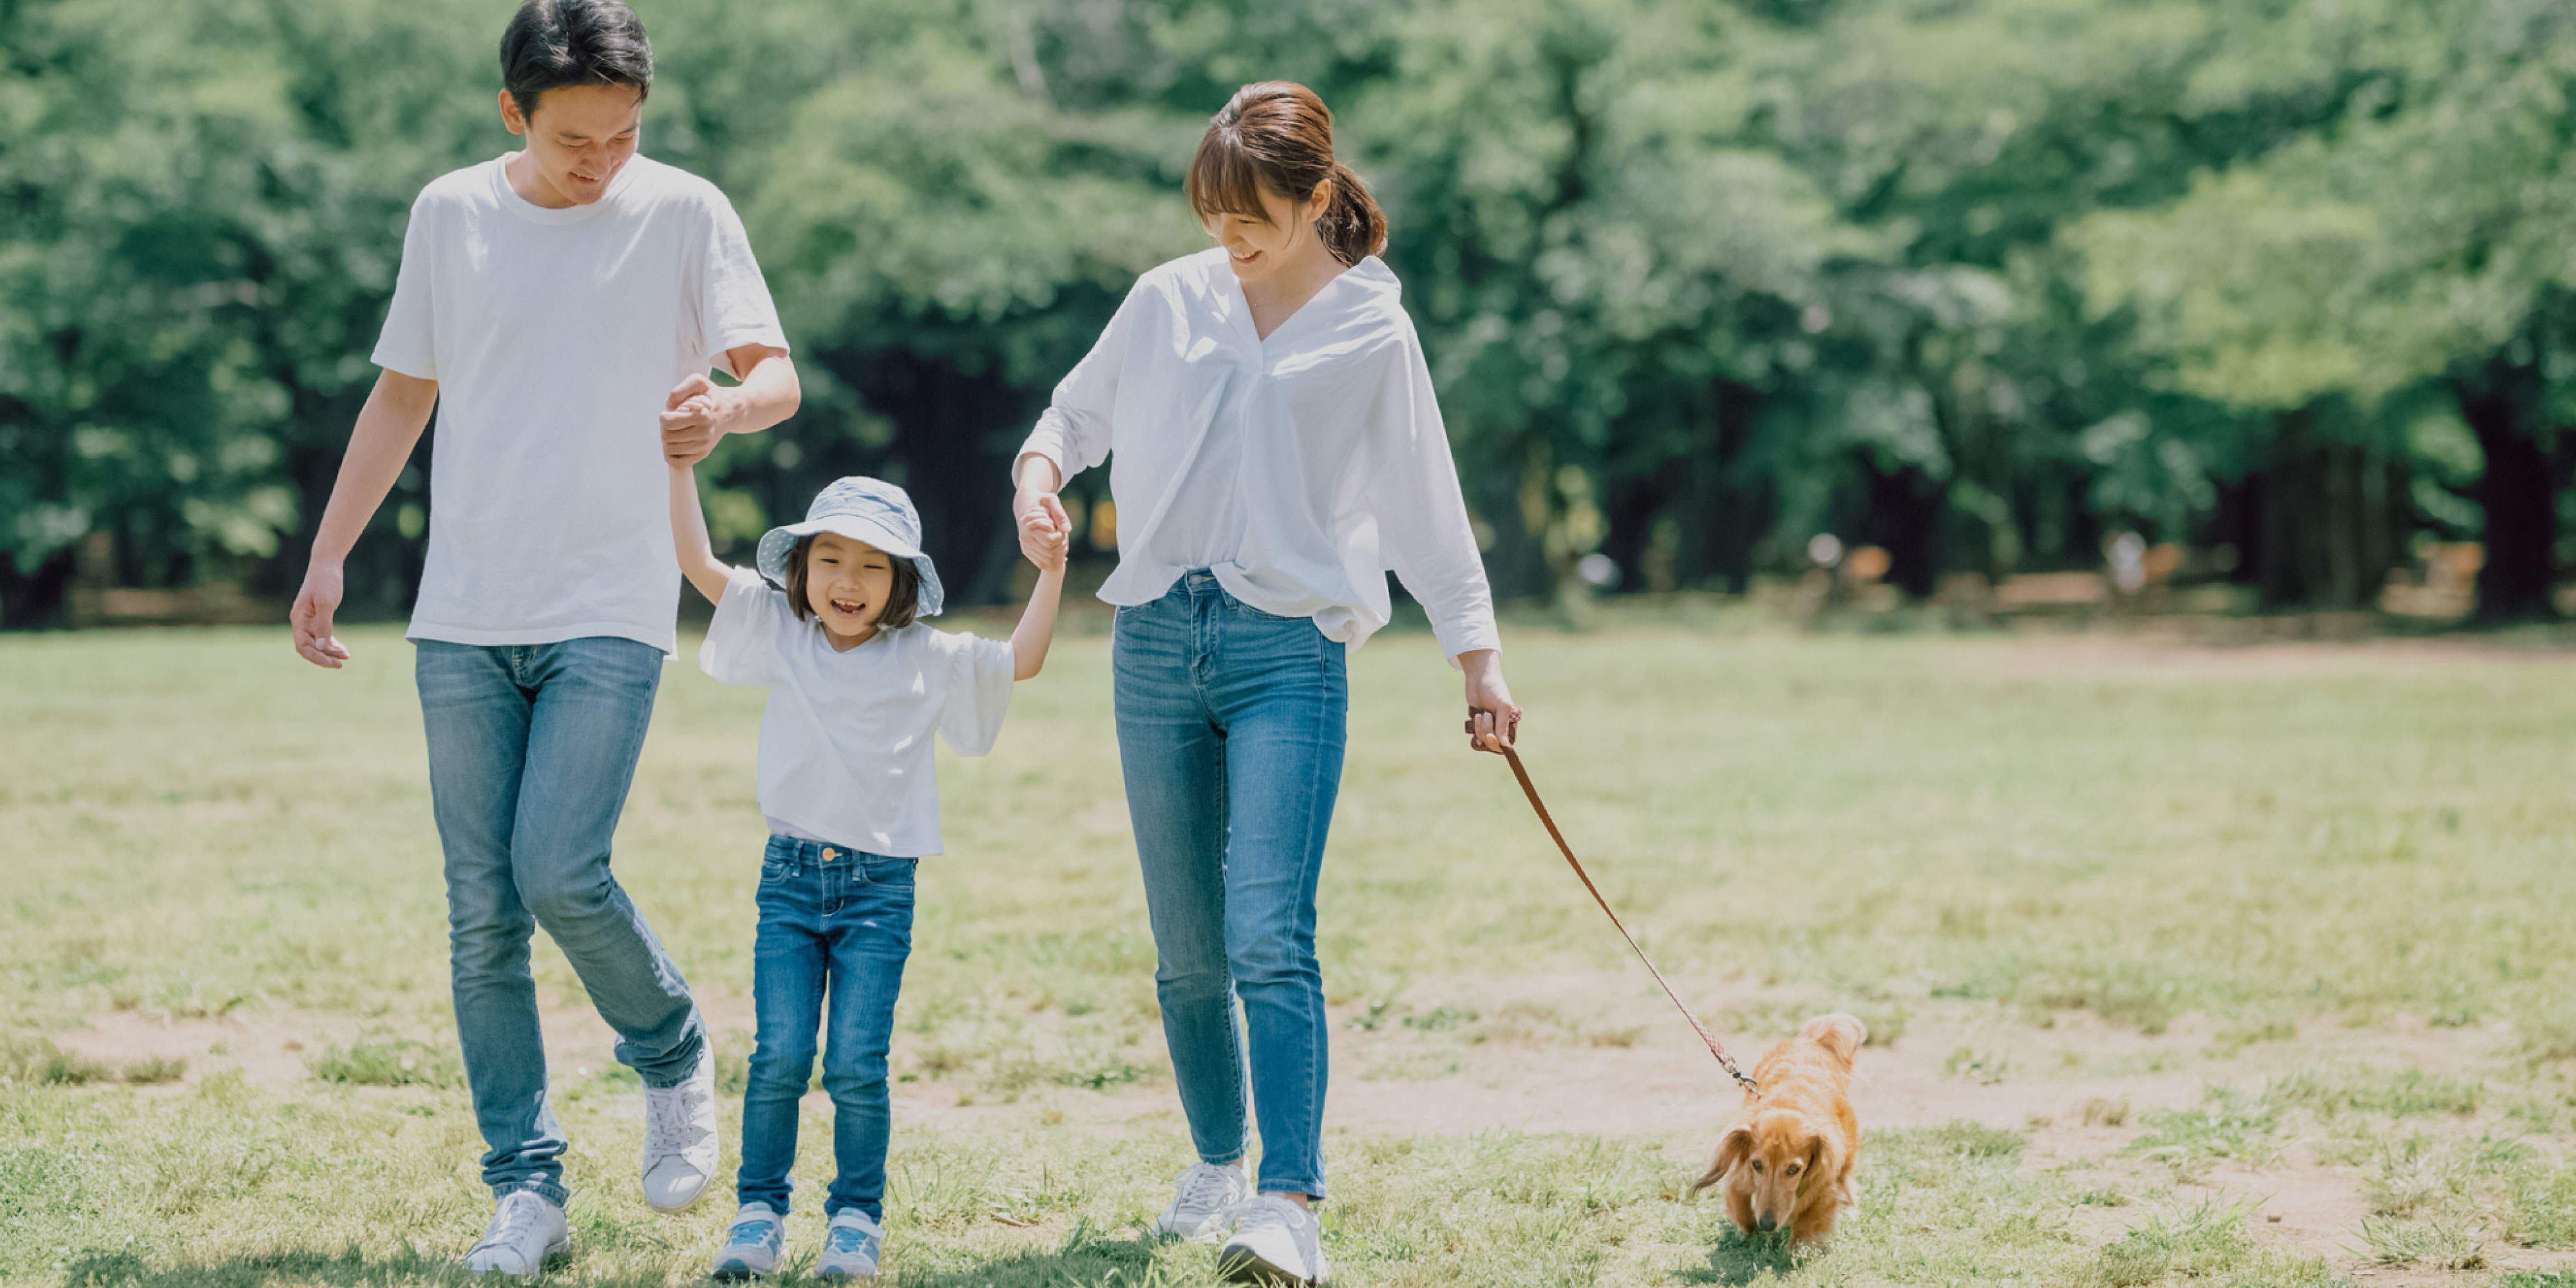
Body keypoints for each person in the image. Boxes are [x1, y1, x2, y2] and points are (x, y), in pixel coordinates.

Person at [285, 0, 799, 1274]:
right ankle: (527, 1191)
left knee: (557, 866)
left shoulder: (685, 212)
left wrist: (721, 413)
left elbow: (774, 375)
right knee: (479, 915)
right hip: (463, 611)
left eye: (625, 135)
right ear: (513, 113)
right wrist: (331, 550)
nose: (604, 162)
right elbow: (406, 387)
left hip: (610, 602)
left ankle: (670, 1040)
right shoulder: (450, 215)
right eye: (577, 141)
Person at [1009, 80, 1522, 1287]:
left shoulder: (1369, 328)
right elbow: (1073, 416)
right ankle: (1214, 1164)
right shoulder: (1168, 300)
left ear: (1315, 196)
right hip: (1152, 643)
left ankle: (1288, 1202)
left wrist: (1478, 660)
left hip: (1287, 645)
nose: (1228, 239)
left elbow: (1421, 502)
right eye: (1212, 213)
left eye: (1253, 216)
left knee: (1267, 937)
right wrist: (1040, 473)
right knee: (1185, 949)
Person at [669, 466, 1068, 1280]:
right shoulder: (784, 634)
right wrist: (681, 467)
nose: (847, 581)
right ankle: (759, 1213)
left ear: (901, 586)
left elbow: (1021, 661)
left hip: (879, 890)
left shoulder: (928, 655)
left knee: (855, 1061)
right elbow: (697, 559)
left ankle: (855, 1219)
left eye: (872, 565)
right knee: (779, 1053)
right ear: (802, 569)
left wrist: (1053, 568)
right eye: (830, 558)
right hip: (787, 879)